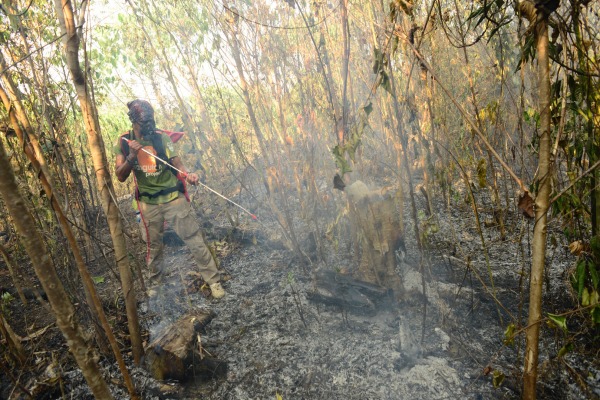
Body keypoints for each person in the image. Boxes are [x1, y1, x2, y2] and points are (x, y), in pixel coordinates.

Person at [114, 99, 225, 299]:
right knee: (154, 245)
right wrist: (132, 155)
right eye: (144, 124)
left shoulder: (161, 138)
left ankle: (214, 281)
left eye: (151, 122)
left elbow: (179, 165)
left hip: (173, 198)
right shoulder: (123, 141)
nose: (149, 127)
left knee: (194, 239)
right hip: (148, 204)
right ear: (134, 121)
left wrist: (188, 175)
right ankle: (156, 283)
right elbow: (120, 176)